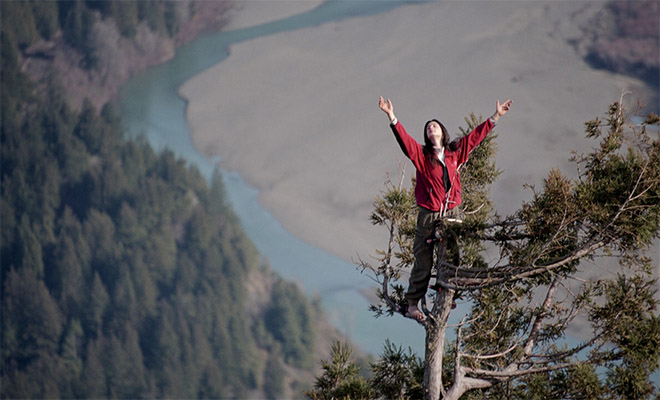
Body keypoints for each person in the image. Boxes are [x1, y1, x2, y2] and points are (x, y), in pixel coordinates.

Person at [378, 96, 512, 322]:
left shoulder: (455, 151)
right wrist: (392, 116)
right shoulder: (422, 156)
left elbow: (474, 138)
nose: (431, 128)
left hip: (452, 212)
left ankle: (447, 295)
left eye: (435, 126)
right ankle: (412, 305)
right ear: (427, 135)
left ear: (442, 132)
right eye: (428, 128)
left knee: (452, 256)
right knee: (423, 259)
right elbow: (405, 142)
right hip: (428, 213)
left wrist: (496, 116)